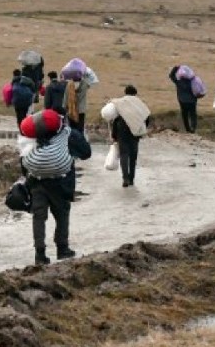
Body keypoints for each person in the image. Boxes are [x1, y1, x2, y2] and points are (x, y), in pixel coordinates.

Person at [20, 109, 91, 264]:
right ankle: (62, 249)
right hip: (61, 182)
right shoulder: (69, 134)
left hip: (37, 182)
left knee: (39, 217)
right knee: (62, 215)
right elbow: (86, 153)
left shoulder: (33, 136)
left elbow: (24, 160)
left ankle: (40, 254)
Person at [102, 86, 152, 187]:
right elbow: (146, 117)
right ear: (135, 93)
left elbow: (115, 120)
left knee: (124, 154)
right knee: (133, 156)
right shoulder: (139, 103)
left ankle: (125, 179)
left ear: (125, 92)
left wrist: (114, 135)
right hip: (135, 131)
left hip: (122, 129)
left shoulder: (120, 102)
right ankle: (131, 179)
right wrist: (142, 129)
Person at [170, 65, 201, 134]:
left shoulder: (178, 82)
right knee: (193, 114)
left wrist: (175, 68)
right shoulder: (192, 82)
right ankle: (193, 128)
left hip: (182, 101)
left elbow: (171, 76)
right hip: (192, 101)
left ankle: (187, 129)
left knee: (185, 115)